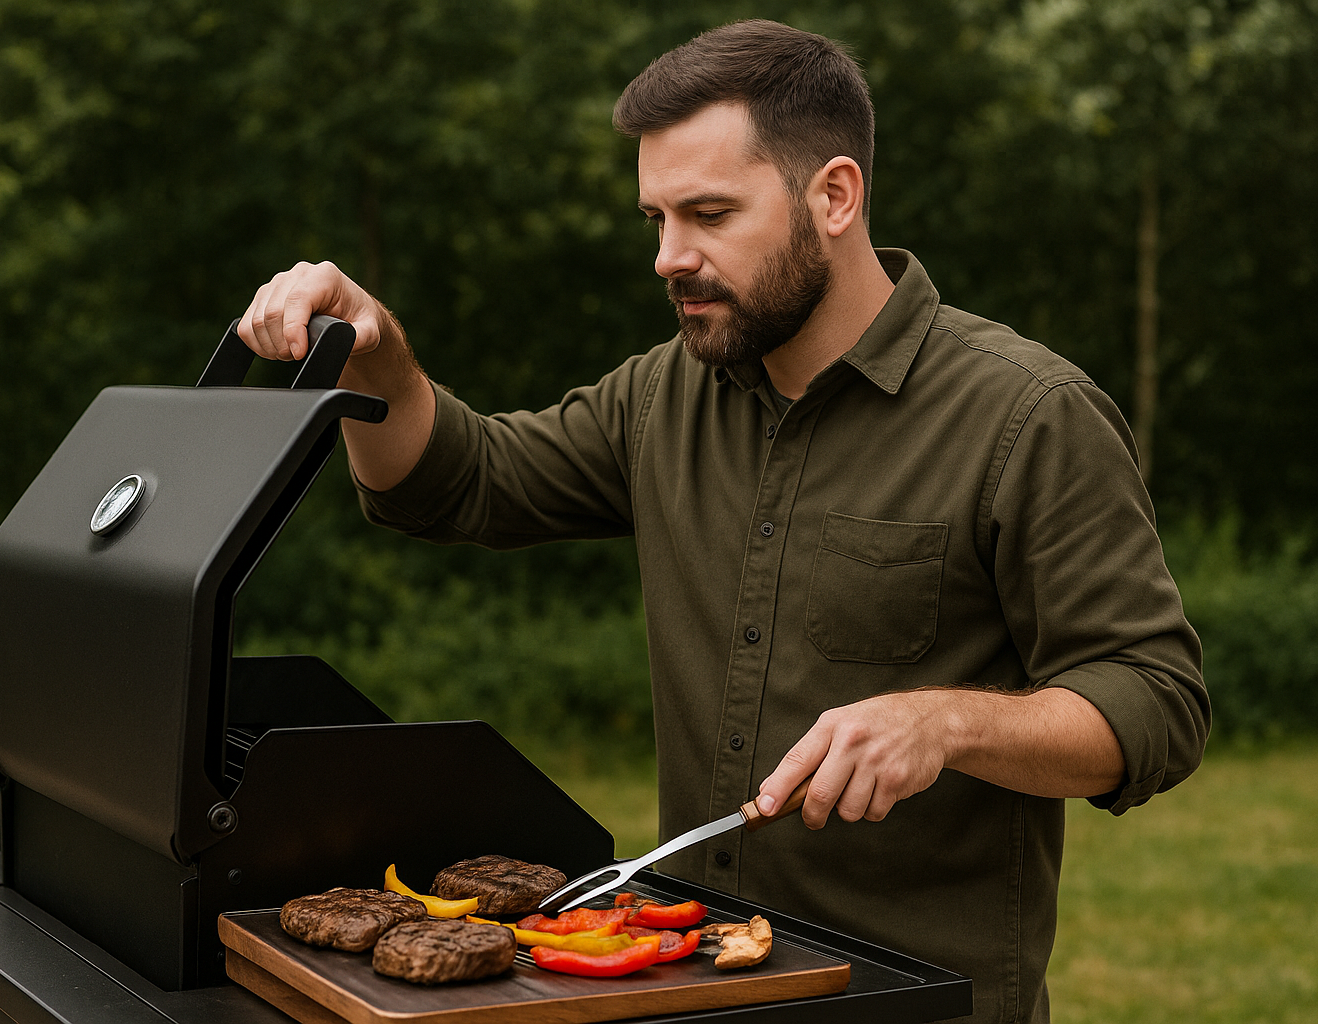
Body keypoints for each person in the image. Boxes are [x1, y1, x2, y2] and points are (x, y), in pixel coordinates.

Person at [237, 20, 1209, 1024]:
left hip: (916, 1002)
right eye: (655, 217)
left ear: (834, 196)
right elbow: (460, 480)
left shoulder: (1027, 413)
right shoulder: (666, 392)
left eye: (707, 214)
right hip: (695, 989)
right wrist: (376, 352)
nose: (667, 256)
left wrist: (947, 720)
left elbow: (1156, 701)